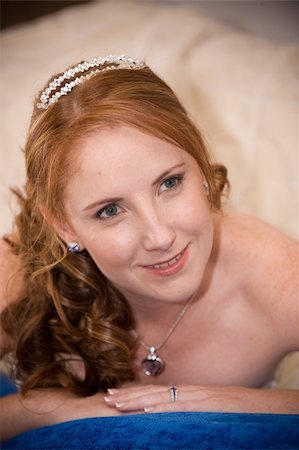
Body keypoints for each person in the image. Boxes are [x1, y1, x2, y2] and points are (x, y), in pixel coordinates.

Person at [0, 54, 298, 442]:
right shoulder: (23, 270)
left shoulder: (273, 274)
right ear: (64, 225)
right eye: (110, 210)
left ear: (202, 166)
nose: (159, 237)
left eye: (170, 183)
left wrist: (230, 401)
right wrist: (55, 409)